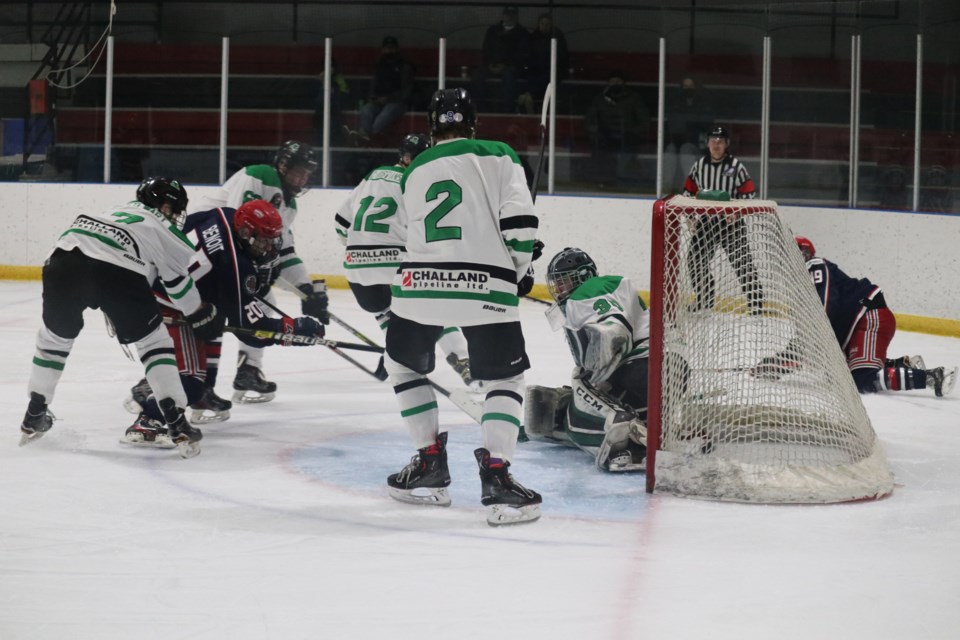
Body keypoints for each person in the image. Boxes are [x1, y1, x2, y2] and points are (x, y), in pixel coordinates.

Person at [384, 87, 542, 526]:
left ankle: (429, 464)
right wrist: (518, 267)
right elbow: (519, 223)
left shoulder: (413, 168)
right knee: (505, 378)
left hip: (418, 287)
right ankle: (497, 477)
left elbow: (408, 231)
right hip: (484, 286)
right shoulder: (497, 152)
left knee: (403, 367)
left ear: (432, 128)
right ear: (472, 122)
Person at [19, 177, 216, 458]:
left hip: (62, 261)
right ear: (165, 205)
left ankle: (35, 412)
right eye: (174, 209)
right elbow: (180, 291)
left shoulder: (112, 211)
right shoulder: (165, 229)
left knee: (54, 339)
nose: (175, 216)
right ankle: (176, 421)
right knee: (154, 343)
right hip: (116, 272)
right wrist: (200, 311)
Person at [122, 199, 325, 446]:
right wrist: (293, 329)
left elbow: (186, 229)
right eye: (264, 240)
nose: (269, 247)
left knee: (213, 318)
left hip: (157, 280)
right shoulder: (235, 265)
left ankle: (201, 391)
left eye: (272, 240)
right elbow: (252, 331)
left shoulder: (226, 214)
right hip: (166, 301)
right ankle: (149, 417)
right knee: (190, 382)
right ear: (246, 232)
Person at [333, 133, 476, 386]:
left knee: (386, 311)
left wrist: (362, 248)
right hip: (395, 262)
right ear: (408, 159)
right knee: (432, 303)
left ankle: (395, 354)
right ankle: (463, 360)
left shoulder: (373, 175)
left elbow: (341, 223)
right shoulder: (417, 182)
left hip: (355, 269)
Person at [192, 140, 326, 404]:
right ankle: (159, 385)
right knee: (239, 311)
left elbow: (282, 250)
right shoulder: (260, 175)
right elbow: (236, 221)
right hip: (204, 250)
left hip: (221, 258)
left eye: (307, 174)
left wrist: (307, 290)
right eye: (299, 171)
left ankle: (246, 370)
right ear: (283, 165)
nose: (302, 179)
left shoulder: (289, 205)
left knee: (252, 307)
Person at [753, 236, 957, 397]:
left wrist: (789, 359)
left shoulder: (814, 266)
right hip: (861, 324)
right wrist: (780, 363)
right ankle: (900, 365)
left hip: (869, 320)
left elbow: (824, 308)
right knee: (847, 375)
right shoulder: (802, 285)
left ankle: (932, 377)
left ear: (804, 253)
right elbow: (806, 334)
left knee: (861, 379)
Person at [524, 248, 650, 472]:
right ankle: (644, 424)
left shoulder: (583, 294)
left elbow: (615, 331)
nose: (560, 289)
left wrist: (595, 381)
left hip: (641, 369)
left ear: (582, 276)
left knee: (578, 414)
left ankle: (625, 441)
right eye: (557, 283)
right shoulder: (615, 284)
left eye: (564, 281)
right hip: (665, 369)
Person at [682, 125, 764, 314]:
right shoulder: (699, 166)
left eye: (720, 141)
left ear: (726, 144)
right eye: (713, 140)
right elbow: (687, 193)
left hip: (730, 223)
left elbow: (749, 195)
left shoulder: (737, 167)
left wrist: (736, 212)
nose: (716, 144)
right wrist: (690, 217)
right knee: (695, 261)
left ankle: (756, 302)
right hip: (706, 223)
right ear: (707, 143)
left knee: (742, 261)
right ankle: (705, 298)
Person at [584, 70, 650, 186]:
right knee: (600, 149)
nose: (615, 84)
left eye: (618, 81)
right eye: (612, 81)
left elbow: (644, 121)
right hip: (605, 136)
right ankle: (602, 180)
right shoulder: (600, 99)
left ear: (624, 83)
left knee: (627, 153)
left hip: (627, 136)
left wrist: (633, 133)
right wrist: (596, 133)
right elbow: (590, 120)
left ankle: (623, 181)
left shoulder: (634, 98)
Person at [348, 36, 415, 146]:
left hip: (397, 103)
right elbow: (373, 85)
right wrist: (373, 97)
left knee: (379, 122)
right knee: (366, 110)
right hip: (378, 102)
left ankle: (365, 143)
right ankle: (363, 136)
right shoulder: (379, 64)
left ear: (396, 49)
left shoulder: (404, 66)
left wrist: (388, 99)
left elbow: (406, 91)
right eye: (387, 48)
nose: (389, 51)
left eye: (391, 48)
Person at [474, 5, 530, 113]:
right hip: (491, 66)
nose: (510, 17)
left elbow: (522, 54)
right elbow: (486, 49)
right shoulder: (492, 31)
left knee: (509, 78)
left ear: (517, 16)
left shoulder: (522, 33)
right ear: (503, 16)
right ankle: (480, 110)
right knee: (477, 76)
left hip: (511, 67)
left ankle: (507, 111)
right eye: (507, 14)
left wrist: (505, 65)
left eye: (512, 14)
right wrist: (490, 63)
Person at [664, 76, 714, 192]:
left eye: (691, 86)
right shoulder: (676, 104)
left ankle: (688, 187)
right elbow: (671, 125)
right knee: (669, 149)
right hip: (677, 141)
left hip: (696, 144)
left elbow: (707, 125)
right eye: (685, 86)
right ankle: (666, 186)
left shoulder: (703, 103)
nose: (688, 89)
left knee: (685, 149)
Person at [520, 12, 569, 113]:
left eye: (547, 24)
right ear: (538, 24)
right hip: (536, 72)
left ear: (551, 25)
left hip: (553, 72)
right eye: (542, 23)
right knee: (532, 76)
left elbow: (561, 57)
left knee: (547, 79)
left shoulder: (557, 37)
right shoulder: (533, 37)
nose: (544, 26)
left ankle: (529, 93)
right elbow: (528, 56)